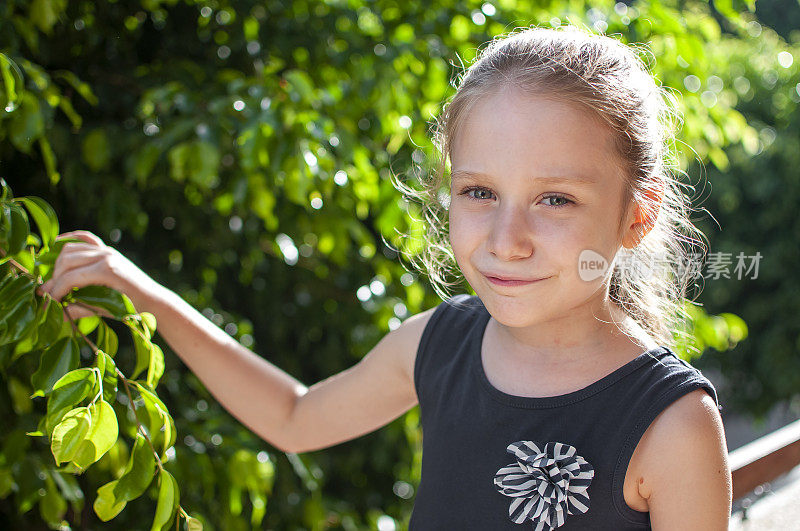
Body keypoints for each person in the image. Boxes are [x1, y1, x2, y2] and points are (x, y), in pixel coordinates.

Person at [36, 24, 731, 530]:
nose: (505, 240)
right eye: (479, 192)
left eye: (555, 199)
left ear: (636, 214)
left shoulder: (673, 426)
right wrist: (141, 292)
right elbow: (295, 417)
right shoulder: (441, 343)